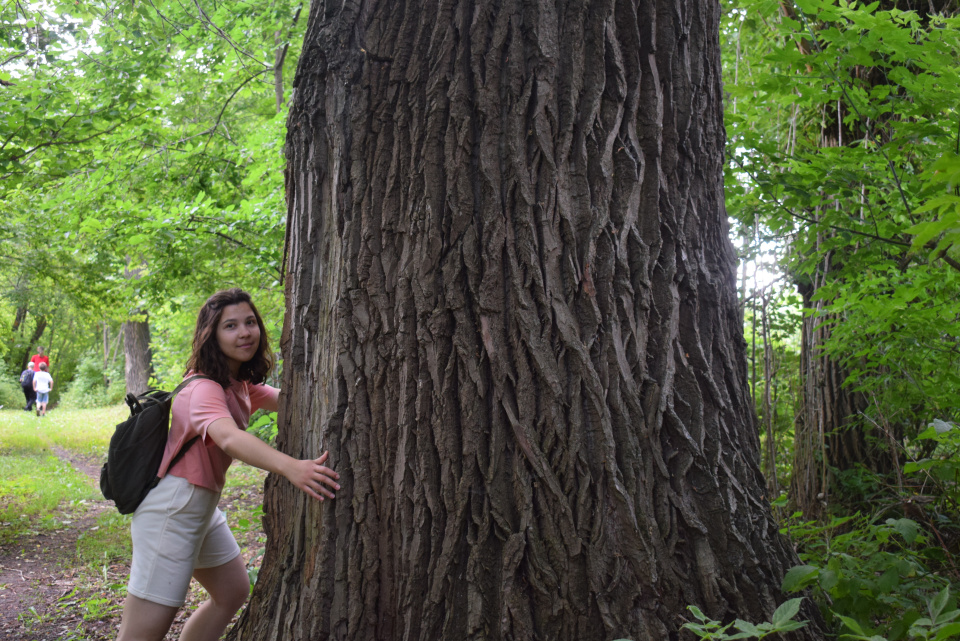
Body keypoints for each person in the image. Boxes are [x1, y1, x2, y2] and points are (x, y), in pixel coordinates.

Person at [115, 288, 340, 641]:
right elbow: (229, 437)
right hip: (172, 510)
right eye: (231, 326)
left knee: (232, 591)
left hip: (200, 507)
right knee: (142, 633)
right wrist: (292, 467)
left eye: (250, 322)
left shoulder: (238, 384)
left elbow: (290, 401)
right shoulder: (202, 388)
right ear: (212, 335)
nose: (245, 332)